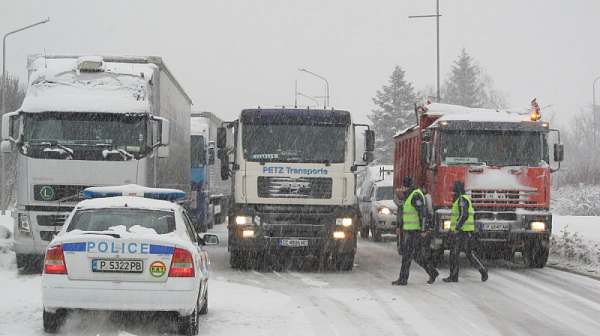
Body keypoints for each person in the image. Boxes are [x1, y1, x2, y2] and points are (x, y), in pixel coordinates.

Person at [392, 177, 439, 286]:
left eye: (403, 186)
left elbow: (423, 213)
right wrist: (400, 226)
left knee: (407, 256)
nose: (402, 188)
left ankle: (403, 279)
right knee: (417, 256)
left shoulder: (415, 195)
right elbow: (404, 213)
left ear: (407, 186)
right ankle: (432, 272)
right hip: (410, 231)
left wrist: (423, 229)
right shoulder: (409, 195)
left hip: (415, 231)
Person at [443, 180, 489, 283]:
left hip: (464, 232)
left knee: (468, 253)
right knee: (455, 254)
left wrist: (457, 228)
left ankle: (483, 271)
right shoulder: (461, 199)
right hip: (462, 231)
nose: (452, 192)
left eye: (453, 190)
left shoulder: (462, 200)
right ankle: (454, 276)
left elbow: (464, 215)